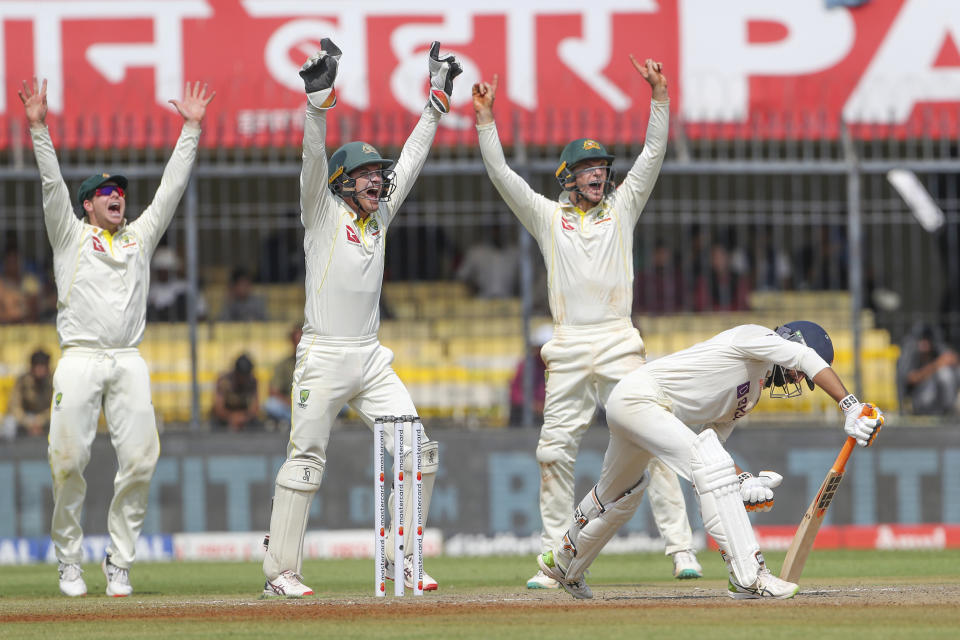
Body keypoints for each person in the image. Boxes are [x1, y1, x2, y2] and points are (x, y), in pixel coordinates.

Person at [473, 56, 703, 589]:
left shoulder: (622, 208)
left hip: (620, 341)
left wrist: (660, 97)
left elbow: (652, 155)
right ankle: (558, 560)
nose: (599, 174)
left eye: (603, 168)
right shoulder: (548, 218)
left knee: (655, 441)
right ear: (569, 178)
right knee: (554, 451)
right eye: (589, 169)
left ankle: (680, 547)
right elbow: (503, 177)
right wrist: (486, 121)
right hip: (570, 346)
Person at [261, 38, 461, 598]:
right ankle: (281, 572)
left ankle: (403, 558)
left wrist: (437, 99)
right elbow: (311, 160)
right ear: (343, 182)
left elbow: (414, 160)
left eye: (379, 172)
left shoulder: (380, 216)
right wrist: (317, 101)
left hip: (371, 357)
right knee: (305, 462)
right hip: (323, 354)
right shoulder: (321, 211)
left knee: (419, 456)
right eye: (366, 173)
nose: (378, 179)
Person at [19, 77, 214, 597]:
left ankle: (119, 561)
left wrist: (191, 129)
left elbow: (171, 188)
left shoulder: (138, 238)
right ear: (88, 205)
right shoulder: (69, 233)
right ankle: (68, 559)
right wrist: (39, 128)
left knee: (142, 459)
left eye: (120, 193)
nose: (117, 198)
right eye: (106, 193)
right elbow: (50, 184)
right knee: (68, 461)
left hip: (128, 359)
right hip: (80, 357)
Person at [537, 321, 886, 600]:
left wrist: (743, 480)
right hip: (641, 398)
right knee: (699, 469)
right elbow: (804, 358)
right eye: (799, 374)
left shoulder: (750, 397)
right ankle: (750, 576)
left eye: (801, 379)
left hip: (640, 407)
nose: (797, 378)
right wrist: (850, 405)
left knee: (620, 493)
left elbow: (710, 445)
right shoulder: (755, 337)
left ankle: (563, 562)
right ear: (791, 340)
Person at [897, 322, 960, 415]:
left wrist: (950, 359)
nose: (924, 344)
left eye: (927, 341)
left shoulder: (937, 348)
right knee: (944, 373)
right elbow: (909, 379)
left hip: (937, 396)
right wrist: (937, 364)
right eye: (921, 341)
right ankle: (947, 412)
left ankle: (949, 411)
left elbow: (951, 358)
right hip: (918, 399)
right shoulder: (910, 351)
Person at [2, 349, 53, 440]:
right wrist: (28, 422)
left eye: (43, 366)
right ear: (32, 367)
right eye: (37, 366)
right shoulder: (22, 380)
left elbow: (57, 407)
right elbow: (14, 405)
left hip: (46, 419)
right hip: (27, 418)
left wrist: (41, 420)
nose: (40, 370)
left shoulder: (54, 381)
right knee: (9, 423)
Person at [508, 324, 552, 426]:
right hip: (527, 414)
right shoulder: (527, 365)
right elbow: (515, 393)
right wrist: (533, 405)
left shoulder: (559, 367)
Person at [264, 325, 303, 427]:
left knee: (342, 403)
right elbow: (273, 391)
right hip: (290, 405)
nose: (299, 344)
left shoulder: (317, 363)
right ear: (292, 342)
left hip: (312, 404)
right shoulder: (283, 365)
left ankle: (291, 421)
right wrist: (290, 403)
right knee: (270, 404)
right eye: (296, 341)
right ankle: (301, 421)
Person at [212, 354, 262, 431]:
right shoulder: (224, 381)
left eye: (247, 375)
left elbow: (255, 407)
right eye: (242, 375)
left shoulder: (252, 381)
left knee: (257, 427)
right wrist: (232, 417)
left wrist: (244, 417)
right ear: (236, 372)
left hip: (245, 418)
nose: (244, 378)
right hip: (225, 418)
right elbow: (218, 408)